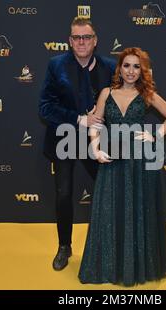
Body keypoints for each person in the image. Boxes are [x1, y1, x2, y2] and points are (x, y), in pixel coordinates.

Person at [78, 47, 166, 286]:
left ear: (142, 71)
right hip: (112, 160)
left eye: (136, 67)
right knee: (110, 212)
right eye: (126, 66)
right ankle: (109, 267)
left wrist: (155, 135)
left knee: (138, 212)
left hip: (140, 162)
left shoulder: (148, 94)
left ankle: (137, 268)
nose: (131, 71)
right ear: (119, 69)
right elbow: (97, 123)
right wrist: (94, 147)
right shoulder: (105, 93)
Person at [39, 17, 116, 271]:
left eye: (86, 37)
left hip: (97, 142)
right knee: (63, 194)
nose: (81, 42)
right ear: (70, 41)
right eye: (76, 37)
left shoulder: (110, 67)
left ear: (95, 40)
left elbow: (122, 104)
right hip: (65, 138)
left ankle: (112, 244)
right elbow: (46, 107)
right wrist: (79, 119)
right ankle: (64, 246)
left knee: (109, 191)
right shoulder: (56, 65)